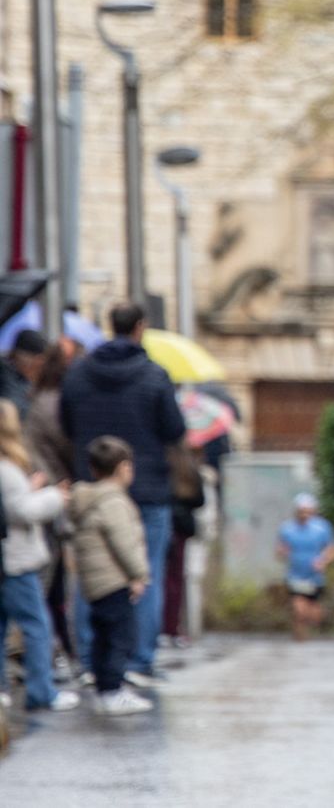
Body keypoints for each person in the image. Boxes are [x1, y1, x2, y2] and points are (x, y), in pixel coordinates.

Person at [59, 301, 187, 688]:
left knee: (91, 573)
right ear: (141, 328)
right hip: (146, 487)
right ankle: (139, 659)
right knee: (143, 574)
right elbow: (174, 429)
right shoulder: (154, 376)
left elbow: (67, 424)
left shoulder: (79, 374)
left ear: (109, 326)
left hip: (91, 485)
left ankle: (89, 658)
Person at [0, 399, 79, 712]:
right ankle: (42, 691)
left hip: (6, 558)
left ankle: (3, 688)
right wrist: (54, 497)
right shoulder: (6, 468)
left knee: (2, 626)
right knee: (37, 624)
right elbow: (21, 511)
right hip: (15, 559)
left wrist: (30, 488)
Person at [70, 436, 152, 716]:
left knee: (102, 638)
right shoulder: (113, 501)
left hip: (95, 583)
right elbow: (124, 543)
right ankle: (113, 690)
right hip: (114, 580)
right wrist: (139, 574)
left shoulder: (86, 498)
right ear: (122, 468)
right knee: (120, 638)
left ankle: (104, 688)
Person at [276, 493, 334, 642]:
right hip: (295, 575)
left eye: (307, 511)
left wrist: (323, 560)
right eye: (301, 511)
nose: (304, 515)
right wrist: (283, 553)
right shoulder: (287, 529)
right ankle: (299, 638)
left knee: (314, 614)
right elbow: (279, 550)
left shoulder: (322, 528)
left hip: (315, 577)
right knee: (299, 609)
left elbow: (333, 548)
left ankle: (312, 629)